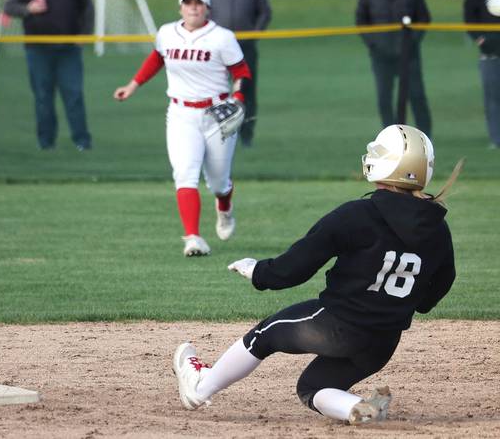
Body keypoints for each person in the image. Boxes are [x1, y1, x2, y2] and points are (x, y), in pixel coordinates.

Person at [173, 124, 455, 426]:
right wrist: (410, 304)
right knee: (313, 387)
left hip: (336, 326)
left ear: (383, 164)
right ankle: (357, 408)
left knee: (265, 334)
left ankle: (200, 388)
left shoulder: (357, 214)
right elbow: (443, 280)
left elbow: (299, 264)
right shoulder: (437, 227)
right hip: (383, 341)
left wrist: (260, 272)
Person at [114, 0, 252, 256]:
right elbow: (157, 58)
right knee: (185, 174)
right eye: (187, 3)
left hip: (217, 113)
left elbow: (241, 71)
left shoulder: (222, 37)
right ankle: (193, 238)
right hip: (180, 114)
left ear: (207, 8)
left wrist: (239, 98)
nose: (193, 7)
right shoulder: (167, 33)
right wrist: (132, 86)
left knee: (217, 182)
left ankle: (224, 207)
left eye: (198, 3)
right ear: (180, 8)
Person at [3, 0, 94, 151]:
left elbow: (87, 7)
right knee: (43, 97)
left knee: (74, 95)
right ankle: (46, 142)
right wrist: (29, 8)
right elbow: (9, 6)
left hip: (68, 49)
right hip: (38, 50)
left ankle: (82, 141)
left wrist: (84, 35)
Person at [355, 0, 432, 136]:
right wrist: (373, 43)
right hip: (381, 55)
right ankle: (392, 137)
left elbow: (424, 18)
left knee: (416, 96)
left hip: (409, 54)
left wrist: (412, 41)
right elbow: (361, 21)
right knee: (384, 98)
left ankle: (425, 138)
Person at [202, 0, 271, 147]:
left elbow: (265, 12)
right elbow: (199, 10)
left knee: (246, 89)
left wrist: (254, 33)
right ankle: (217, 132)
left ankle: (246, 134)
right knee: (216, 89)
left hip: (245, 47)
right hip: (216, 48)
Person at [463, 0, 500, 148]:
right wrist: (479, 38)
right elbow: (469, 13)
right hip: (490, 54)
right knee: (493, 99)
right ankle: (496, 139)